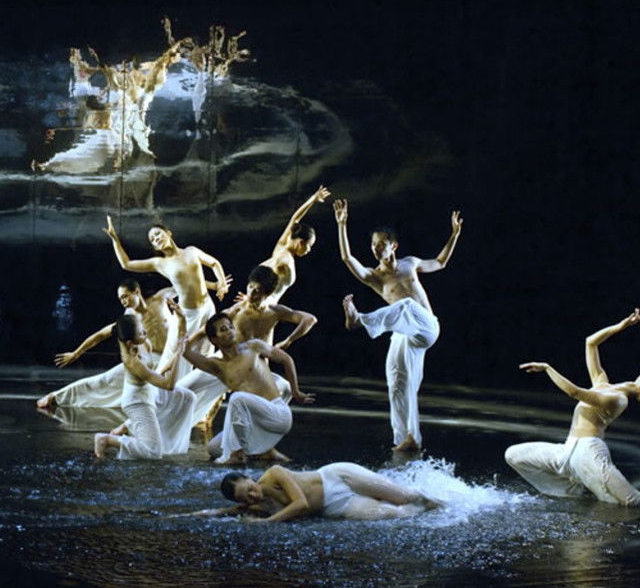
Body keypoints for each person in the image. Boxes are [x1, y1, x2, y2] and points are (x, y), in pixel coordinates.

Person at [505, 309, 640, 508]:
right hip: (567, 450)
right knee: (513, 455)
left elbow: (573, 392)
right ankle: (573, 490)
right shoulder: (603, 384)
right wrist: (621, 326)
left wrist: (547, 368)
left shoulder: (618, 400)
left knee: (631, 500)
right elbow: (591, 343)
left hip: (589, 451)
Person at [334, 199, 462, 451]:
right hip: (404, 334)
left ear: (393, 246)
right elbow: (347, 258)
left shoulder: (410, 263)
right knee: (398, 383)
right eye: (373, 245)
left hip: (427, 327)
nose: (375, 248)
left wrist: (454, 234)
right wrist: (342, 225)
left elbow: (440, 262)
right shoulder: (374, 277)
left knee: (406, 305)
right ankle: (408, 438)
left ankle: (359, 320)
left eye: (380, 244)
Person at [181, 266, 317, 432]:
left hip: (254, 373)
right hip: (225, 366)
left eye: (258, 291)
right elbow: (204, 331)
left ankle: (258, 436)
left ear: (267, 294)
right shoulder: (236, 310)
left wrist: (288, 341)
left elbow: (309, 319)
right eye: (250, 287)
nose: (252, 293)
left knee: (285, 388)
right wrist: (183, 347)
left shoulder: (274, 312)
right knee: (182, 388)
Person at [183, 313, 314, 465]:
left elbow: (286, 359)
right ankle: (266, 452)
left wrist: (296, 391)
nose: (230, 331)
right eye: (223, 329)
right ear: (214, 339)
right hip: (252, 423)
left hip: (276, 414)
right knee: (213, 448)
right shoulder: (218, 366)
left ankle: (238, 453)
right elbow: (186, 352)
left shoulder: (254, 346)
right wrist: (194, 329)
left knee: (237, 398)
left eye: (231, 327)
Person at [103, 215, 229, 368]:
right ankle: (171, 385)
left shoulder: (191, 251)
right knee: (179, 353)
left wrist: (221, 284)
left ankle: (204, 387)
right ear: (155, 247)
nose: (156, 239)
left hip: (207, 307)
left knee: (206, 351)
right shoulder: (160, 263)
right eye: (153, 240)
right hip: (188, 314)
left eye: (158, 234)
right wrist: (115, 239)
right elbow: (126, 264)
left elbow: (214, 263)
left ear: (169, 233)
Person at [36, 279, 179, 410]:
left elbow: (189, 285)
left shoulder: (160, 298)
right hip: (151, 359)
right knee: (105, 380)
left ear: (136, 291)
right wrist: (75, 354)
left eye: (125, 296)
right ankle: (57, 396)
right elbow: (100, 335)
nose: (123, 301)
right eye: (120, 298)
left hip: (178, 354)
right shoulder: (129, 317)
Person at [92, 308, 194, 460]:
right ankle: (107, 439)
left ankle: (128, 426)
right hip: (137, 402)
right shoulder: (133, 362)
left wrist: (182, 321)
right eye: (141, 333)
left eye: (142, 328)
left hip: (149, 391)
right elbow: (169, 385)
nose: (145, 333)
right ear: (129, 342)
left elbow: (163, 368)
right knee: (153, 452)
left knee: (187, 396)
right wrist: (179, 353)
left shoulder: (142, 341)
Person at [186, 464, 439, 521]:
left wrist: (268, 523)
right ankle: (438, 508)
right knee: (398, 514)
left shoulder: (274, 473)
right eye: (246, 498)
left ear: (250, 478)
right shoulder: (254, 507)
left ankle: (452, 498)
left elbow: (301, 504)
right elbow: (219, 512)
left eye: (250, 489)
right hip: (335, 506)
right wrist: (180, 517)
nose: (253, 497)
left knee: (407, 497)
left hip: (336, 477)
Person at [259, 185, 329, 305]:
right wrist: (253, 298)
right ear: (301, 242)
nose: (309, 250)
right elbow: (268, 276)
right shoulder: (285, 259)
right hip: (265, 307)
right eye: (309, 246)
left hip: (262, 305)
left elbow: (295, 219)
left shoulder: (281, 246)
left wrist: (312, 199)